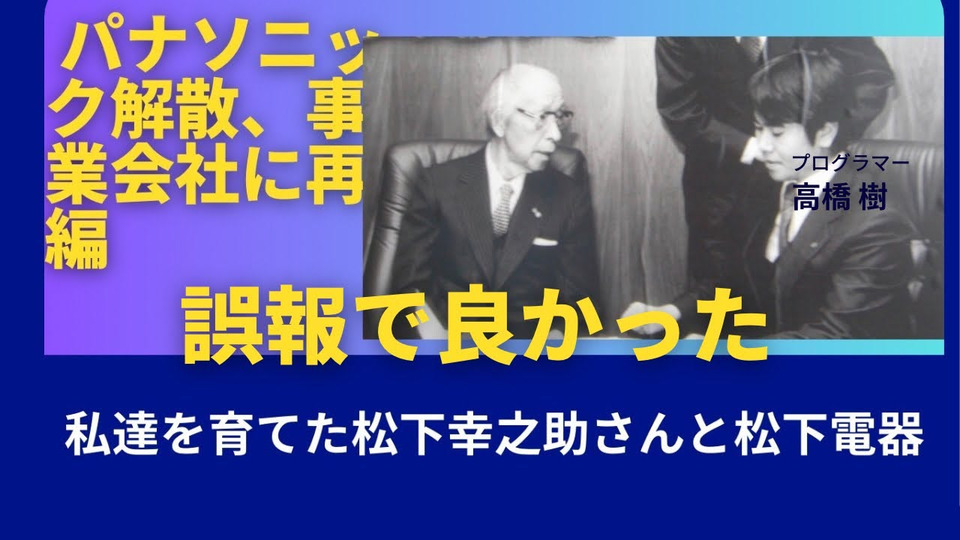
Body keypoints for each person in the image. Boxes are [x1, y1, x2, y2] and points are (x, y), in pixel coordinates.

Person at [626, 50, 914, 338]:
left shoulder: (875, 222)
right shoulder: (767, 182)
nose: (762, 145)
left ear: (825, 132)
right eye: (758, 128)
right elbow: (733, 283)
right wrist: (674, 313)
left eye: (776, 133)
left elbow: (835, 336)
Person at [391, 63, 601, 338]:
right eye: (541, 117)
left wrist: (556, 339)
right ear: (499, 121)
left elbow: (583, 303)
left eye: (559, 117)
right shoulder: (436, 185)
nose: (555, 134)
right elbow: (407, 288)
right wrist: (432, 337)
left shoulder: (569, 196)